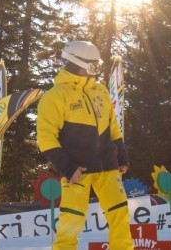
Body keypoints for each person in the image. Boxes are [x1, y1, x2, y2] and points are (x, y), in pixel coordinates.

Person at [36, 40, 133, 250]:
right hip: (77, 169)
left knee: (119, 214)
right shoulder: (55, 96)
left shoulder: (101, 91)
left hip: (108, 166)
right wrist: (68, 168)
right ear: (75, 63)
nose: (96, 69)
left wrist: (122, 157)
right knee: (71, 222)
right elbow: (46, 137)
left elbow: (113, 127)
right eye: (92, 64)